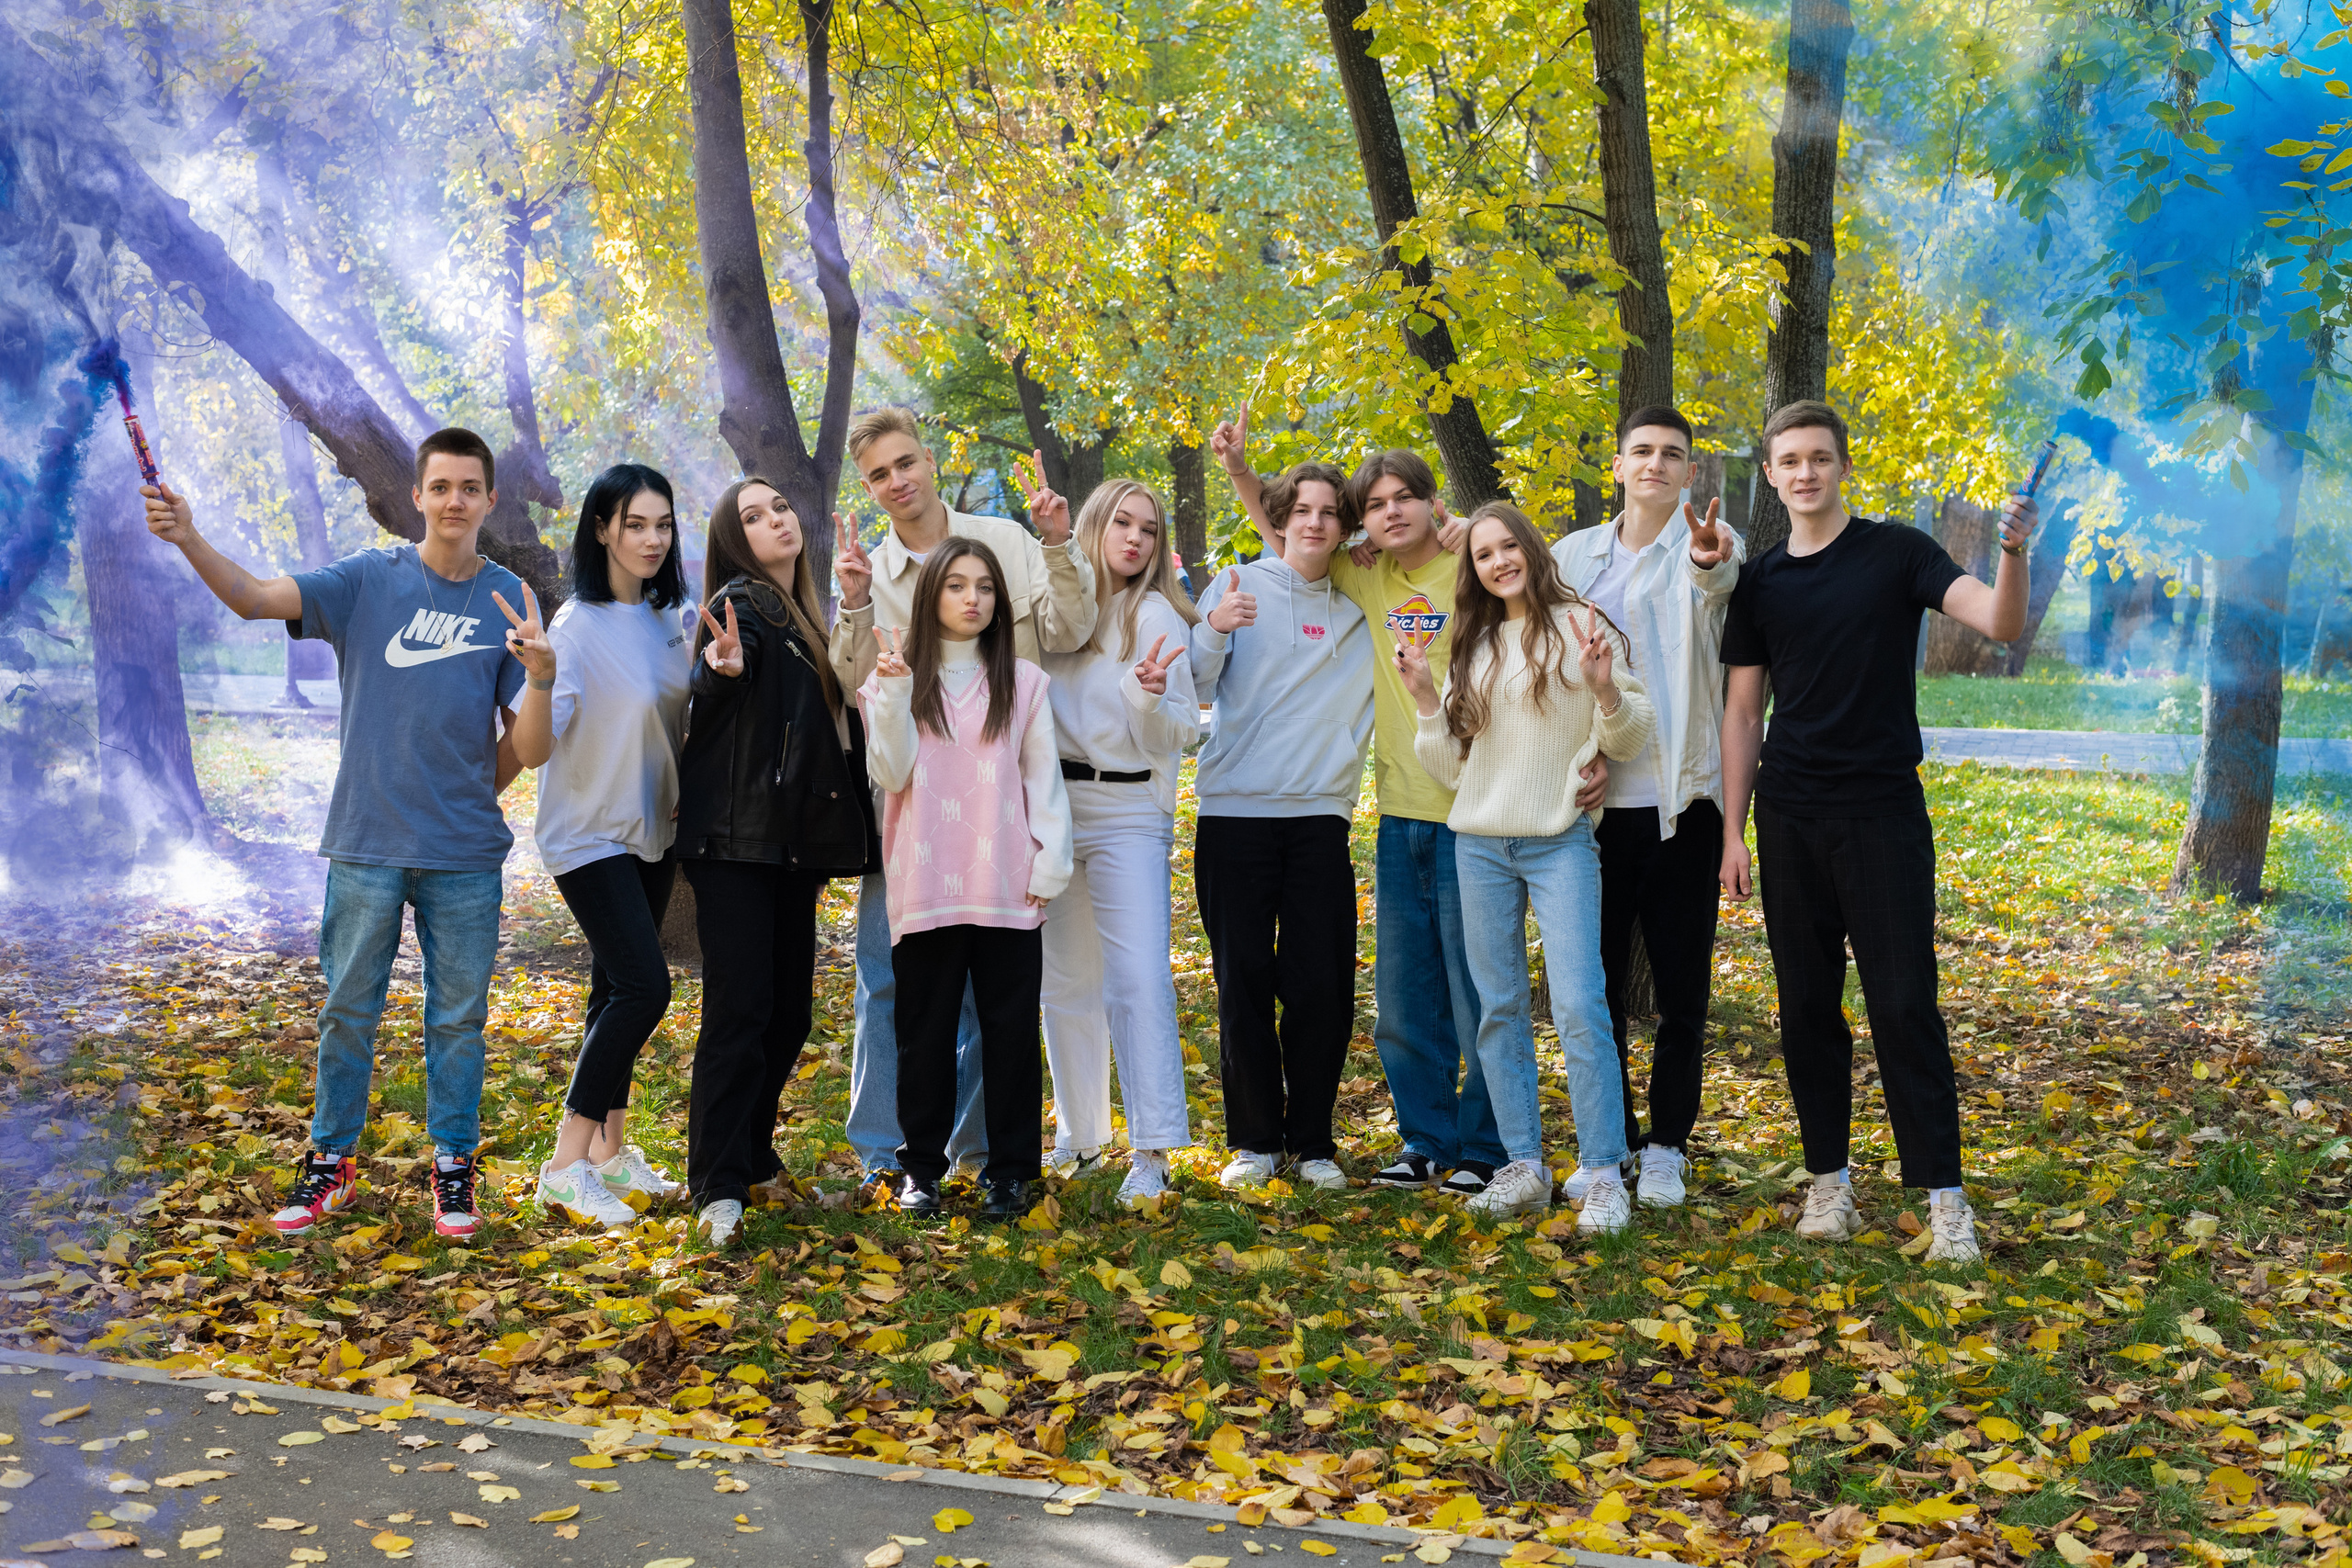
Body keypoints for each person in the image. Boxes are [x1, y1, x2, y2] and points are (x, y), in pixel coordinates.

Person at [143, 428, 528, 1240]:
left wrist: (548, 688)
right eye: (441, 486)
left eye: (470, 487)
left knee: (457, 1018)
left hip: (464, 857)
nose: (454, 500)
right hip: (365, 841)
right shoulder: (367, 579)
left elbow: (529, 744)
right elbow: (251, 597)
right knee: (348, 1009)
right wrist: (188, 536)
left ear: (490, 499)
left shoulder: (509, 600)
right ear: (417, 497)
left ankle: (454, 1166)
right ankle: (331, 1163)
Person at [1212, 410, 1606, 1196]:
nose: (1391, 512)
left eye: (1406, 497)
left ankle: (1485, 1145)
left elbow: (1554, 654)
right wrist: (1240, 474)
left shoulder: (1474, 572)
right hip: (1400, 813)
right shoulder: (1366, 574)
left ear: (1433, 503)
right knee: (1404, 998)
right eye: (1378, 502)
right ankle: (1423, 1137)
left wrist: (1588, 756)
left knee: (1477, 992)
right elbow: (1295, 528)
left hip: (1480, 813)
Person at [1719, 400, 2035, 1266]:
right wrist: (1733, 830)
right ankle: (1829, 1183)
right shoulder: (1761, 581)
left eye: (1820, 457)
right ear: (1772, 474)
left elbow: (2001, 624)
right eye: (1789, 460)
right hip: (1787, 817)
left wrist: (2011, 553)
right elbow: (1745, 713)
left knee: (1901, 1006)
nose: (1806, 472)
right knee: (1807, 1008)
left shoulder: (1899, 553)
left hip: (1884, 816)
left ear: (1842, 465)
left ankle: (1946, 1201)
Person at [829, 407, 1097, 1191]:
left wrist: (1056, 542)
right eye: (878, 473)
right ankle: (900, 1159)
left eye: (905, 462)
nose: (896, 481)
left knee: (1002, 1015)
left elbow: (1067, 629)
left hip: (1005, 834)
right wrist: (854, 611)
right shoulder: (867, 573)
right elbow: (862, 704)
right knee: (903, 998)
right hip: (918, 844)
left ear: (929, 459)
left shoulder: (1007, 544)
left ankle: (989, 1155)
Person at [1399, 502, 1656, 1225]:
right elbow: (1451, 766)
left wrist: (1603, 687)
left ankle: (1604, 1168)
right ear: (1473, 569)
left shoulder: (1581, 622)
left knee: (1579, 1003)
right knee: (1499, 1007)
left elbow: (1632, 735)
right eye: (1484, 554)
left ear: (1532, 549)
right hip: (1479, 844)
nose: (1499, 561)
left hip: (1559, 839)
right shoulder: (1472, 643)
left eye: (1510, 545)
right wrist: (1425, 698)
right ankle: (1523, 1164)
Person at [674, 479, 876, 1246]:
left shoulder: (802, 614)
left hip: (790, 845)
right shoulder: (746, 605)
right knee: (741, 1010)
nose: (774, 520)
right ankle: (717, 1181)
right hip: (738, 841)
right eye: (752, 517)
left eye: (780, 508)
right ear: (736, 540)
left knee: (787, 1011)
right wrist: (719, 673)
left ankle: (753, 1156)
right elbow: (724, 673)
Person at [1549, 407, 1742, 1210]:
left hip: (1678, 806)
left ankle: (1667, 1146)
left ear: (1692, 472)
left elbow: (1716, 583)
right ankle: (1611, 1142)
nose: (1657, 464)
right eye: (1642, 452)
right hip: (1587, 813)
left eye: (1673, 455)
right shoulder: (1572, 558)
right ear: (1618, 466)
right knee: (1590, 987)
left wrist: (1706, 555)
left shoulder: (1711, 548)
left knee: (1680, 988)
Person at [862, 539, 1074, 1220]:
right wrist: (893, 696)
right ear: (932, 598)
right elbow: (891, 774)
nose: (973, 598)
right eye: (956, 585)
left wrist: (1051, 858)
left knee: (1009, 1032)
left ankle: (1010, 1171)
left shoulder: (1024, 680)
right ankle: (920, 1169)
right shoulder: (893, 679)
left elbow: (1043, 776)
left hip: (1008, 884)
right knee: (922, 1033)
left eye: (985, 586)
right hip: (925, 883)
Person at [1188, 463, 1373, 1193]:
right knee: (1243, 981)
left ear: (1346, 526)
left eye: (1330, 511)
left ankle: (1315, 1140)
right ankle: (1255, 1139)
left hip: (1320, 819)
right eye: (1301, 510)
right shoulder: (1238, 586)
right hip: (1234, 815)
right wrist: (1211, 629)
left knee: (1319, 985)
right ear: (1280, 517)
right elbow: (1196, 686)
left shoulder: (1363, 599)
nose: (1315, 522)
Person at [529, 464, 694, 1230]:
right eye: (636, 524)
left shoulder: (672, 617)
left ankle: (610, 1154)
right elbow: (540, 739)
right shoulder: (575, 626)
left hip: (650, 829)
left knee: (609, 992)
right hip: (588, 830)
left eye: (662, 524)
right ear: (602, 529)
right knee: (643, 988)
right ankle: (564, 1166)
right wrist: (536, 681)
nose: (653, 539)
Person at [1035, 470, 1201, 1205]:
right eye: (1123, 524)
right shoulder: (1058, 614)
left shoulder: (1159, 616)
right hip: (1054, 805)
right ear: (1096, 526)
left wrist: (1148, 694)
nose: (1136, 539)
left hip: (1130, 808)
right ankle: (1080, 1134)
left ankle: (1154, 1145)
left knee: (1137, 977)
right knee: (1066, 980)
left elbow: (1180, 735)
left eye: (1150, 529)